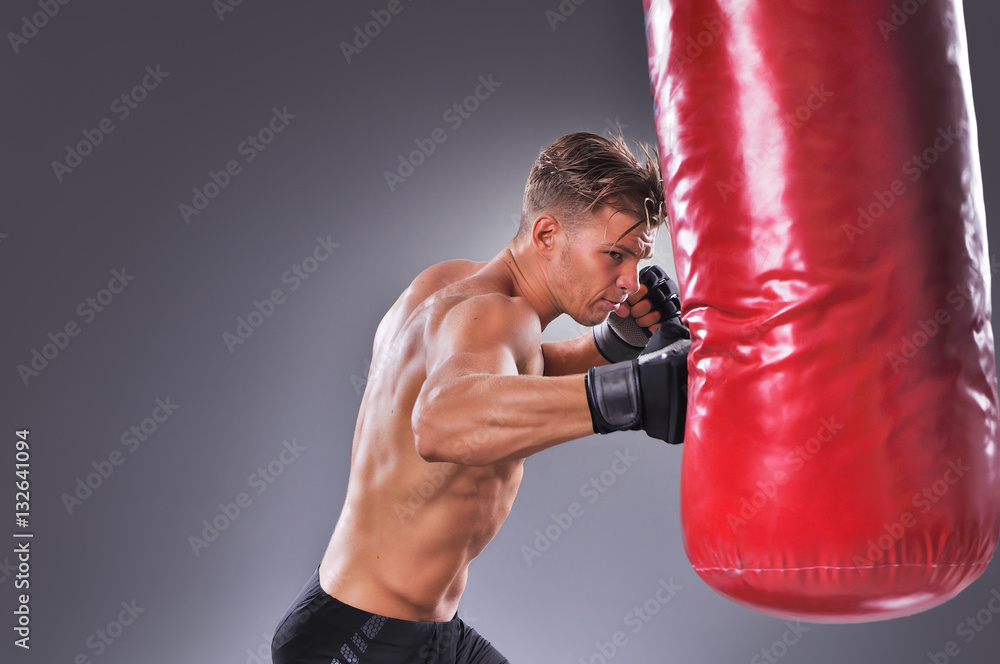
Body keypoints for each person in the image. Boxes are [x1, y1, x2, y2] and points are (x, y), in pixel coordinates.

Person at [271, 131, 691, 664]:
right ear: (546, 233)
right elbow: (443, 421)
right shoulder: (498, 316)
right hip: (360, 645)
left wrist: (613, 344)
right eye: (613, 254)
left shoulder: (452, 285)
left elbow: (516, 374)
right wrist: (629, 395)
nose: (629, 281)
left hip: (404, 628)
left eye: (637, 258)